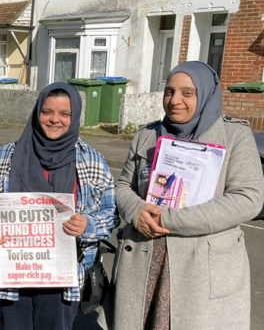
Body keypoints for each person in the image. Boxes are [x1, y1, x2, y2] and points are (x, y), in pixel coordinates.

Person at [112, 61, 264, 330]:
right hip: (145, 261)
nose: (175, 101)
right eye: (169, 91)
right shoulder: (147, 135)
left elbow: (248, 197)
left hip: (201, 269)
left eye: (187, 93)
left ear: (205, 94)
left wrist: (169, 219)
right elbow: (123, 186)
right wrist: (136, 211)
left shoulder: (234, 136)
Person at [0, 82, 118, 330]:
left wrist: (88, 225)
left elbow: (111, 213)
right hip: (15, 275)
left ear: (75, 116)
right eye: (47, 111)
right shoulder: (6, 156)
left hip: (63, 279)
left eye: (64, 114)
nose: (54, 119)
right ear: (37, 112)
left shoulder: (91, 159)